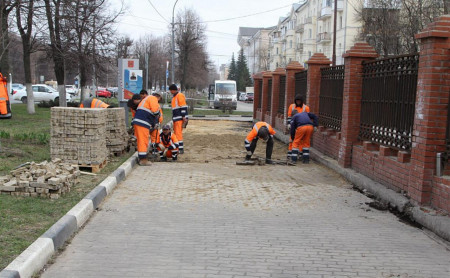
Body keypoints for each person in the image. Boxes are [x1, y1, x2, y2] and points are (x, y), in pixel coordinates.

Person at [131, 92, 161, 166]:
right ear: (157, 97)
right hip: (142, 122)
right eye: (159, 100)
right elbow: (155, 111)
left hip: (140, 122)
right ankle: (143, 160)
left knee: (141, 140)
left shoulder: (146, 99)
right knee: (143, 141)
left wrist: (155, 123)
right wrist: (158, 116)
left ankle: (141, 157)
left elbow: (150, 112)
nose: (158, 101)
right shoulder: (153, 98)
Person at [169, 84, 188, 154]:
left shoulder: (179, 96)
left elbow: (183, 106)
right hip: (177, 118)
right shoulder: (175, 97)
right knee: (177, 133)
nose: (170, 92)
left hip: (179, 118)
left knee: (178, 133)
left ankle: (180, 149)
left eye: (171, 90)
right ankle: (178, 148)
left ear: (173, 90)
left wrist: (183, 116)